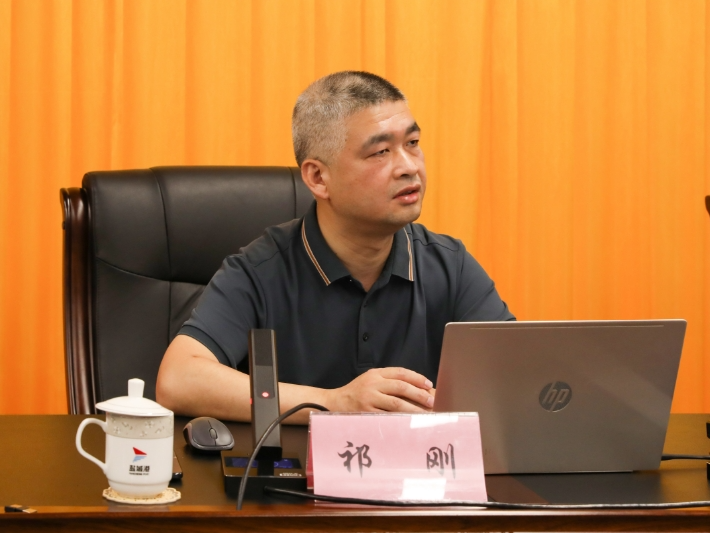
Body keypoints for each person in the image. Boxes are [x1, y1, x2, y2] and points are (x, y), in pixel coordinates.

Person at [156, 71, 514, 424]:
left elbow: (519, 379)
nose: (409, 167)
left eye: (412, 143)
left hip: (419, 463)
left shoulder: (450, 266)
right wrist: (333, 402)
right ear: (318, 177)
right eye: (380, 151)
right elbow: (178, 380)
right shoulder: (260, 271)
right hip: (295, 464)